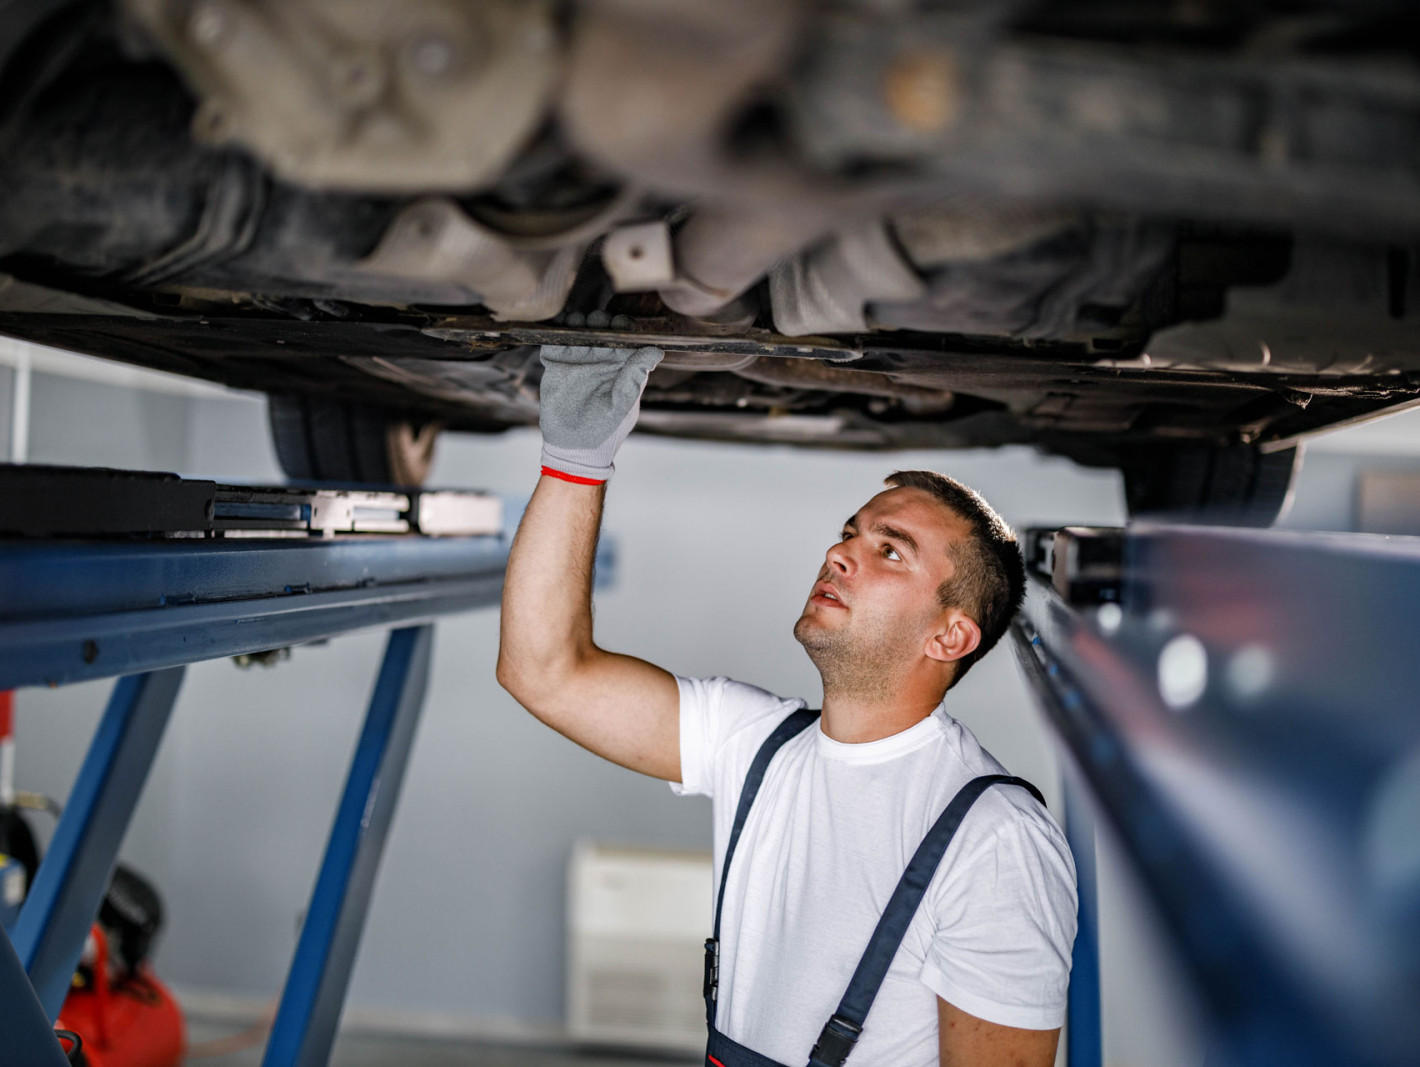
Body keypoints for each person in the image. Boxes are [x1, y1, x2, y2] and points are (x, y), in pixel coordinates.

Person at [498, 346, 1077, 1067]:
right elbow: (544, 671)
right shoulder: (756, 744)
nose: (839, 554)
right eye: (849, 532)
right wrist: (575, 459)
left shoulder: (997, 841)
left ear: (950, 635)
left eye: (890, 551)